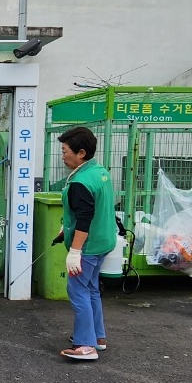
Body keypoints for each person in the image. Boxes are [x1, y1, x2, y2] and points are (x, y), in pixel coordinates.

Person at [55, 126, 115, 361]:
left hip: (88, 246)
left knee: (78, 290)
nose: (63, 155)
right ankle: (97, 337)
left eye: (65, 150)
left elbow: (84, 219)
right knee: (90, 289)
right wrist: (65, 229)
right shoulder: (99, 171)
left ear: (81, 153)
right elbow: (87, 210)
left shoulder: (80, 181)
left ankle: (85, 346)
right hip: (103, 241)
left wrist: (75, 251)